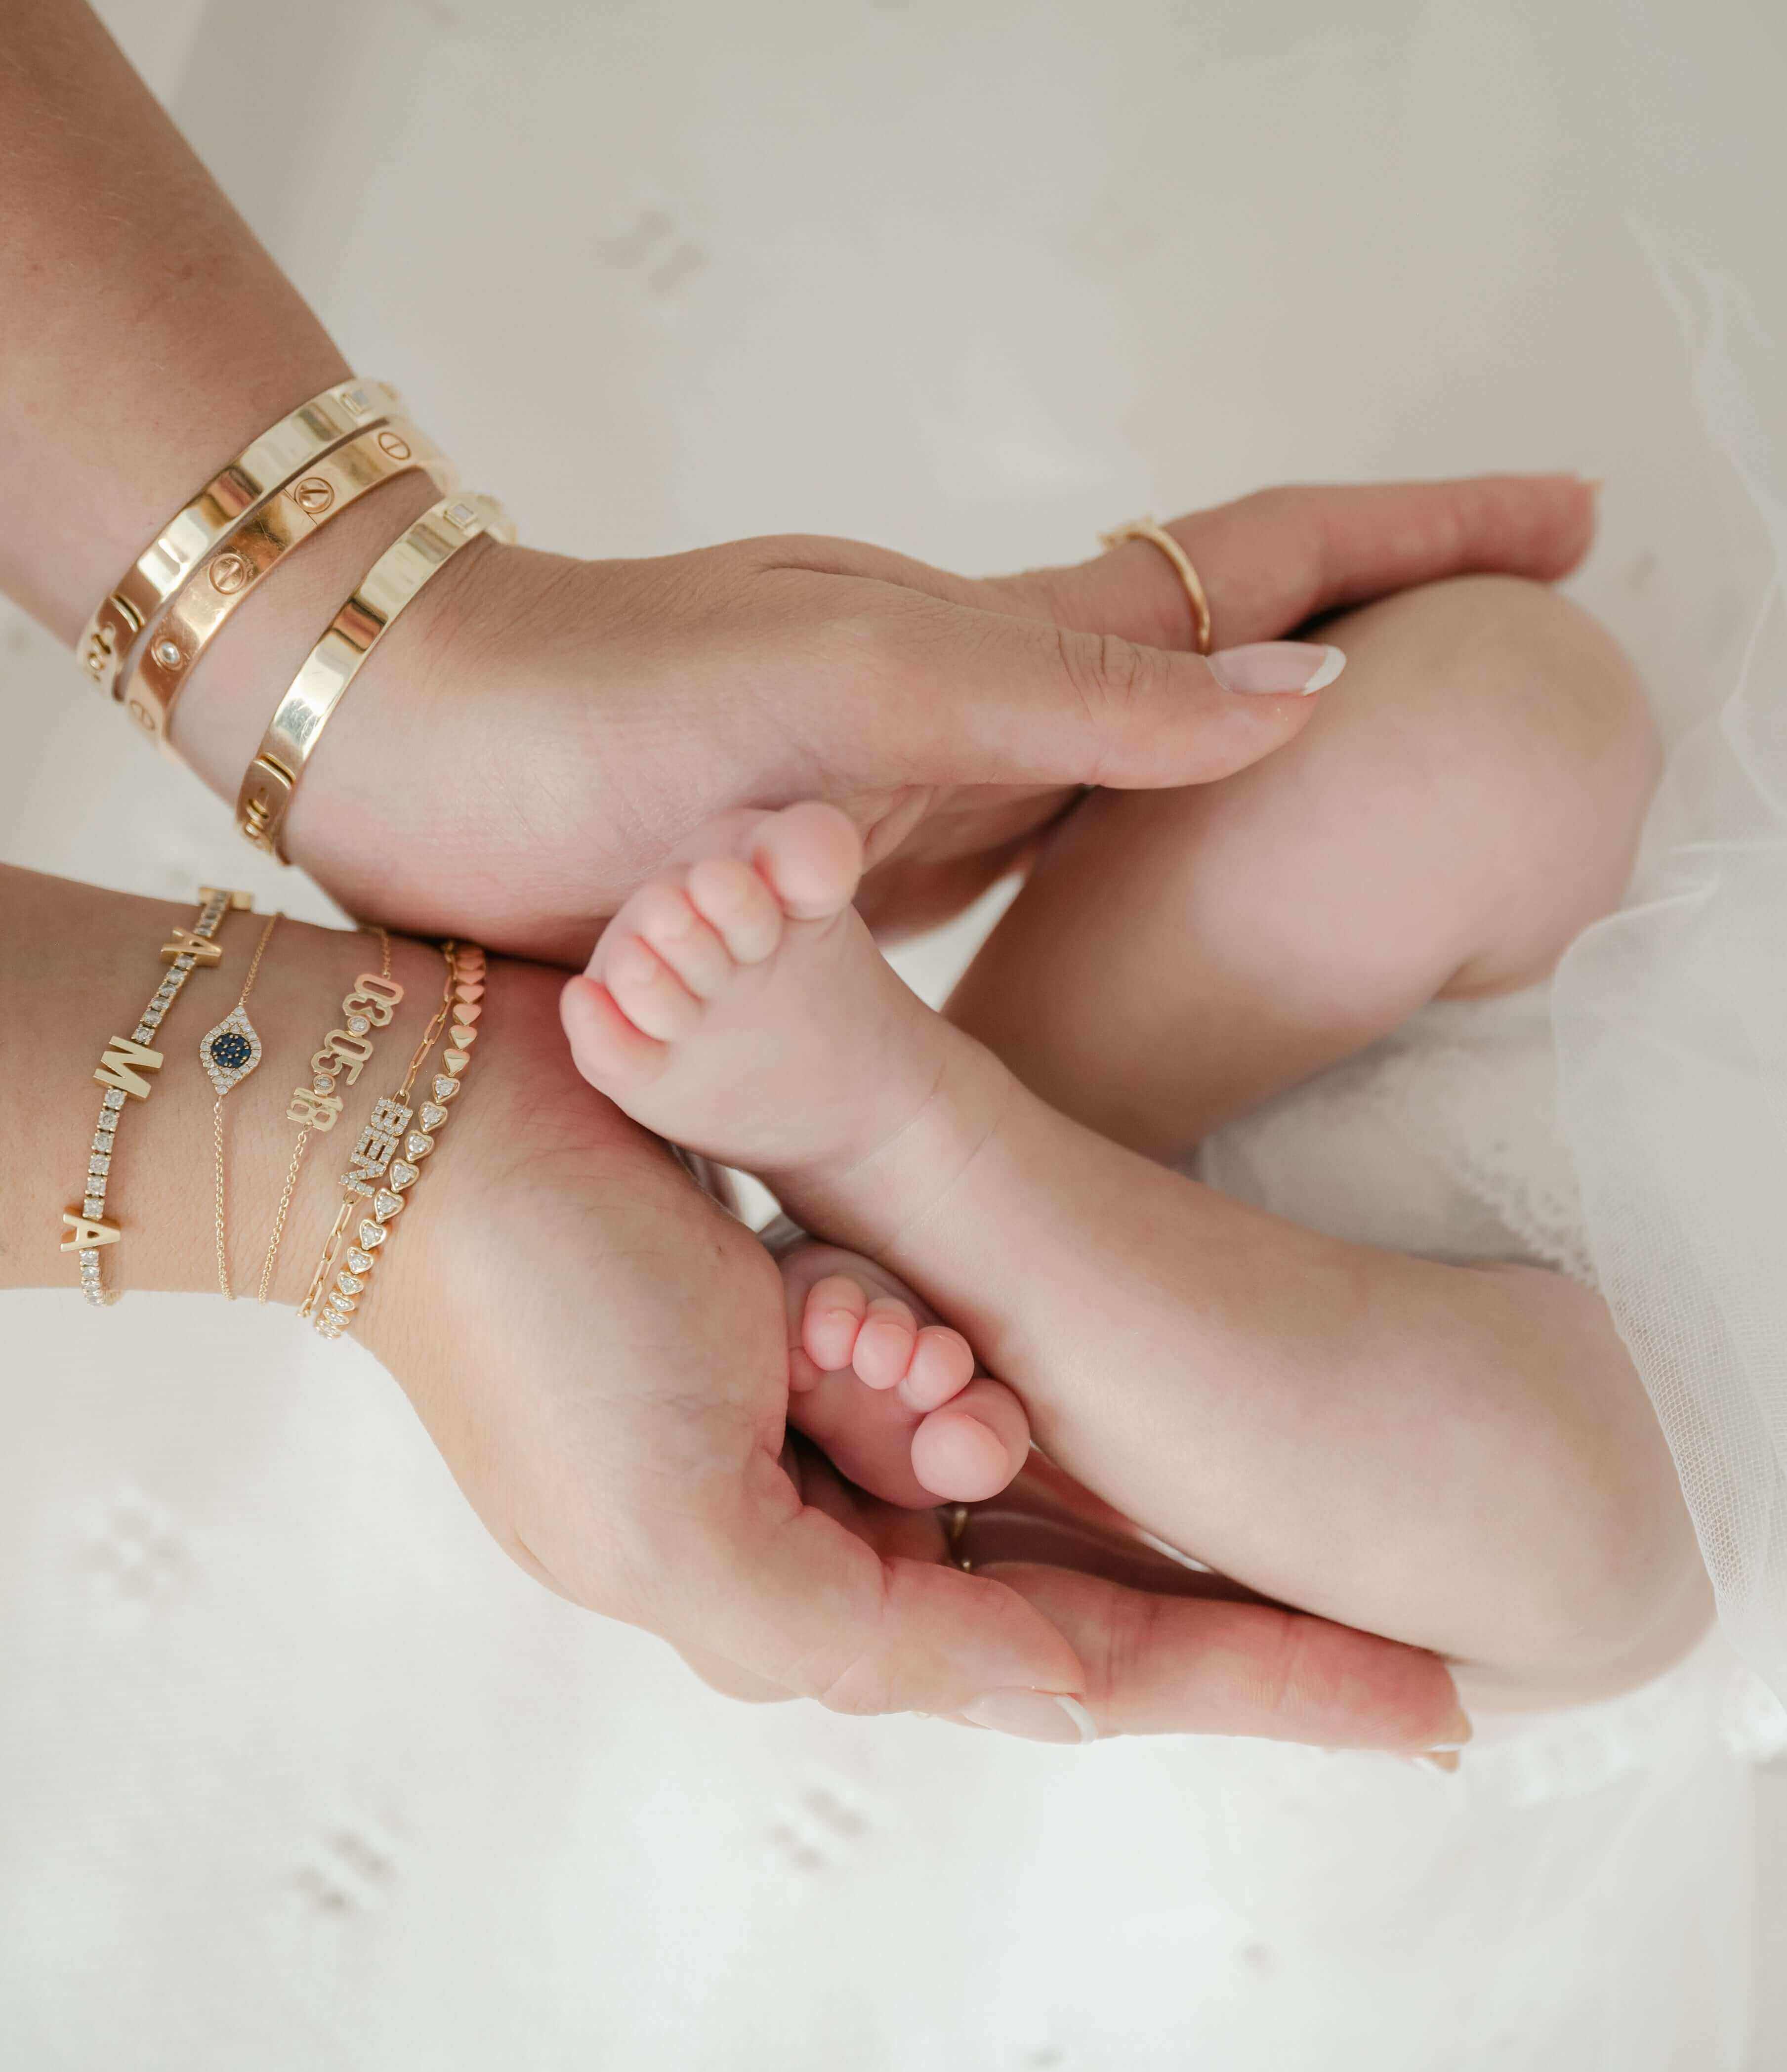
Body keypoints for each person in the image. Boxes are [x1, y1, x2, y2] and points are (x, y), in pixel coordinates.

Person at [0, 0, 1614, 1750]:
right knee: (1511, 734)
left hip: (1246, 1347)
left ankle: (908, 1154)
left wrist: (384, 676)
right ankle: (918, 1148)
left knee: (1604, 1552)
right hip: (1329, 1350)